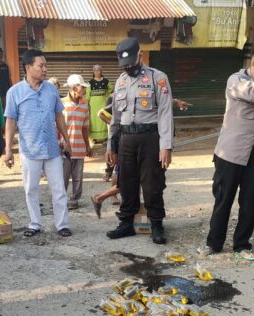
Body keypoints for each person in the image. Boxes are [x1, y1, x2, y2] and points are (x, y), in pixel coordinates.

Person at [198, 43, 254, 261]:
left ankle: (242, 245)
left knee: (250, 203)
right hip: (230, 154)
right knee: (223, 200)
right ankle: (214, 243)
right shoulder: (236, 81)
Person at [105, 37, 173, 245]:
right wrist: (111, 144)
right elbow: (115, 118)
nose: (128, 69)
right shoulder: (120, 81)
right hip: (126, 138)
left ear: (140, 56)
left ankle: (156, 224)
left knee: (152, 183)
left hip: (150, 138)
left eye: (131, 64)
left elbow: (165, 113)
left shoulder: (158, 78)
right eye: (124, 66)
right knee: (126, 182)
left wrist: (166, 146)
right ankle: (126, 222)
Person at [4, 49, 73, 238]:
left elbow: (59, 115)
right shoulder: (15, 92)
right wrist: (8, 150)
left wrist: (66, 140)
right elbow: (10, 121)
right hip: (30, 150)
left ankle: (62, 225)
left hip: (52, 149)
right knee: (31, 189)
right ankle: (35, 224)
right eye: (41, 65)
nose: (45, 69)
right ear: (28, 67)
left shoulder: (51, 89)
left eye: (45, 65)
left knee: (59, 189)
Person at [61, 74, 91, 210]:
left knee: (78, 177)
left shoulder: (85, 105)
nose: (84, 90)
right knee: (63, 177)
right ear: (74, 87)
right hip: (64, 147)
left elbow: (85, 128)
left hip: (79, 147)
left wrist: (88, 146)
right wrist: (57, 143)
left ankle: (74, 200)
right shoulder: (61, 103)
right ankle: (60, 199)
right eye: (82, 87)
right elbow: (56, 126)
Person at [87, 64, 112, 144]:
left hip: (103, 103)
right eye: (95, 70)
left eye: (99, 70)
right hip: (93, 104)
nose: (97, 72)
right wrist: (87, 104)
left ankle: (105, 137)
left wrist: (106, 95)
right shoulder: (90, 83)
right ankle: (94, 138)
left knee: (103, 118)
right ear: (93, 72)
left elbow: (110, 89)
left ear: (101, 72)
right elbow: (87, 95)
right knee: (94, 120)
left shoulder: (106, 81)